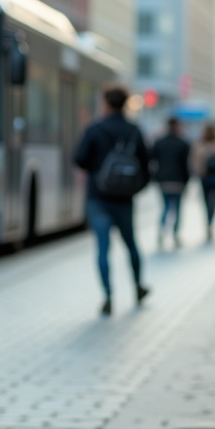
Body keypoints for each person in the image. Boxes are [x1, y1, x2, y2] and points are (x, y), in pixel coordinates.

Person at [72, 84, 151, 316]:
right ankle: (138, 287)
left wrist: (97, 171)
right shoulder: (134, 130)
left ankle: (108, 296)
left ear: (105, 103)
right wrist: (133, 188)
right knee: (131, 244)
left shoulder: (95, 129)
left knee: (103, 248)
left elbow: (79, 159)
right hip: (124, 200)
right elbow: (147, 166)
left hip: (98, 198)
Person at [149, 117, 190, 250]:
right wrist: (186, 181)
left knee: (165, 207)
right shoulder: (182, 143)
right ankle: (175, 234)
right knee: (177, 209)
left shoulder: (159, 142)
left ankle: (161, 231)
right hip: (178, 180)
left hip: (163, 180)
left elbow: (151, 160)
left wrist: (155, 176)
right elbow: (185, 165)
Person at [190, 123, 215, 244]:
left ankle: (209, 221)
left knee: (206, 200)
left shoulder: (199, 144)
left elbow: (194, 160)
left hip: (205, 176)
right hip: (214, 176)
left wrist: (198, 171)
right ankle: (210, 221)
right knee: (213, 200)